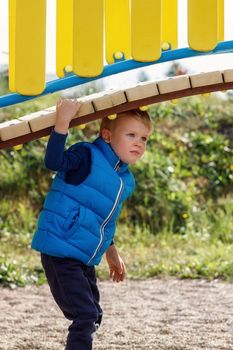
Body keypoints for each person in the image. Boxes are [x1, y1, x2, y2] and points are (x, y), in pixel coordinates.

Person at [31, 98, 153, 350]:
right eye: (131, 135)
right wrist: (62, 122)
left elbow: (105, 219)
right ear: (107, 136)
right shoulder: (86, 155)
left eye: (144, 138)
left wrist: (111, 250)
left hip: (83, 256)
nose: (138, 143)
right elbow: (53, 162)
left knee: (94, 315)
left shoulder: (125, 180)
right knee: (85, 315)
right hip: (60, 251)